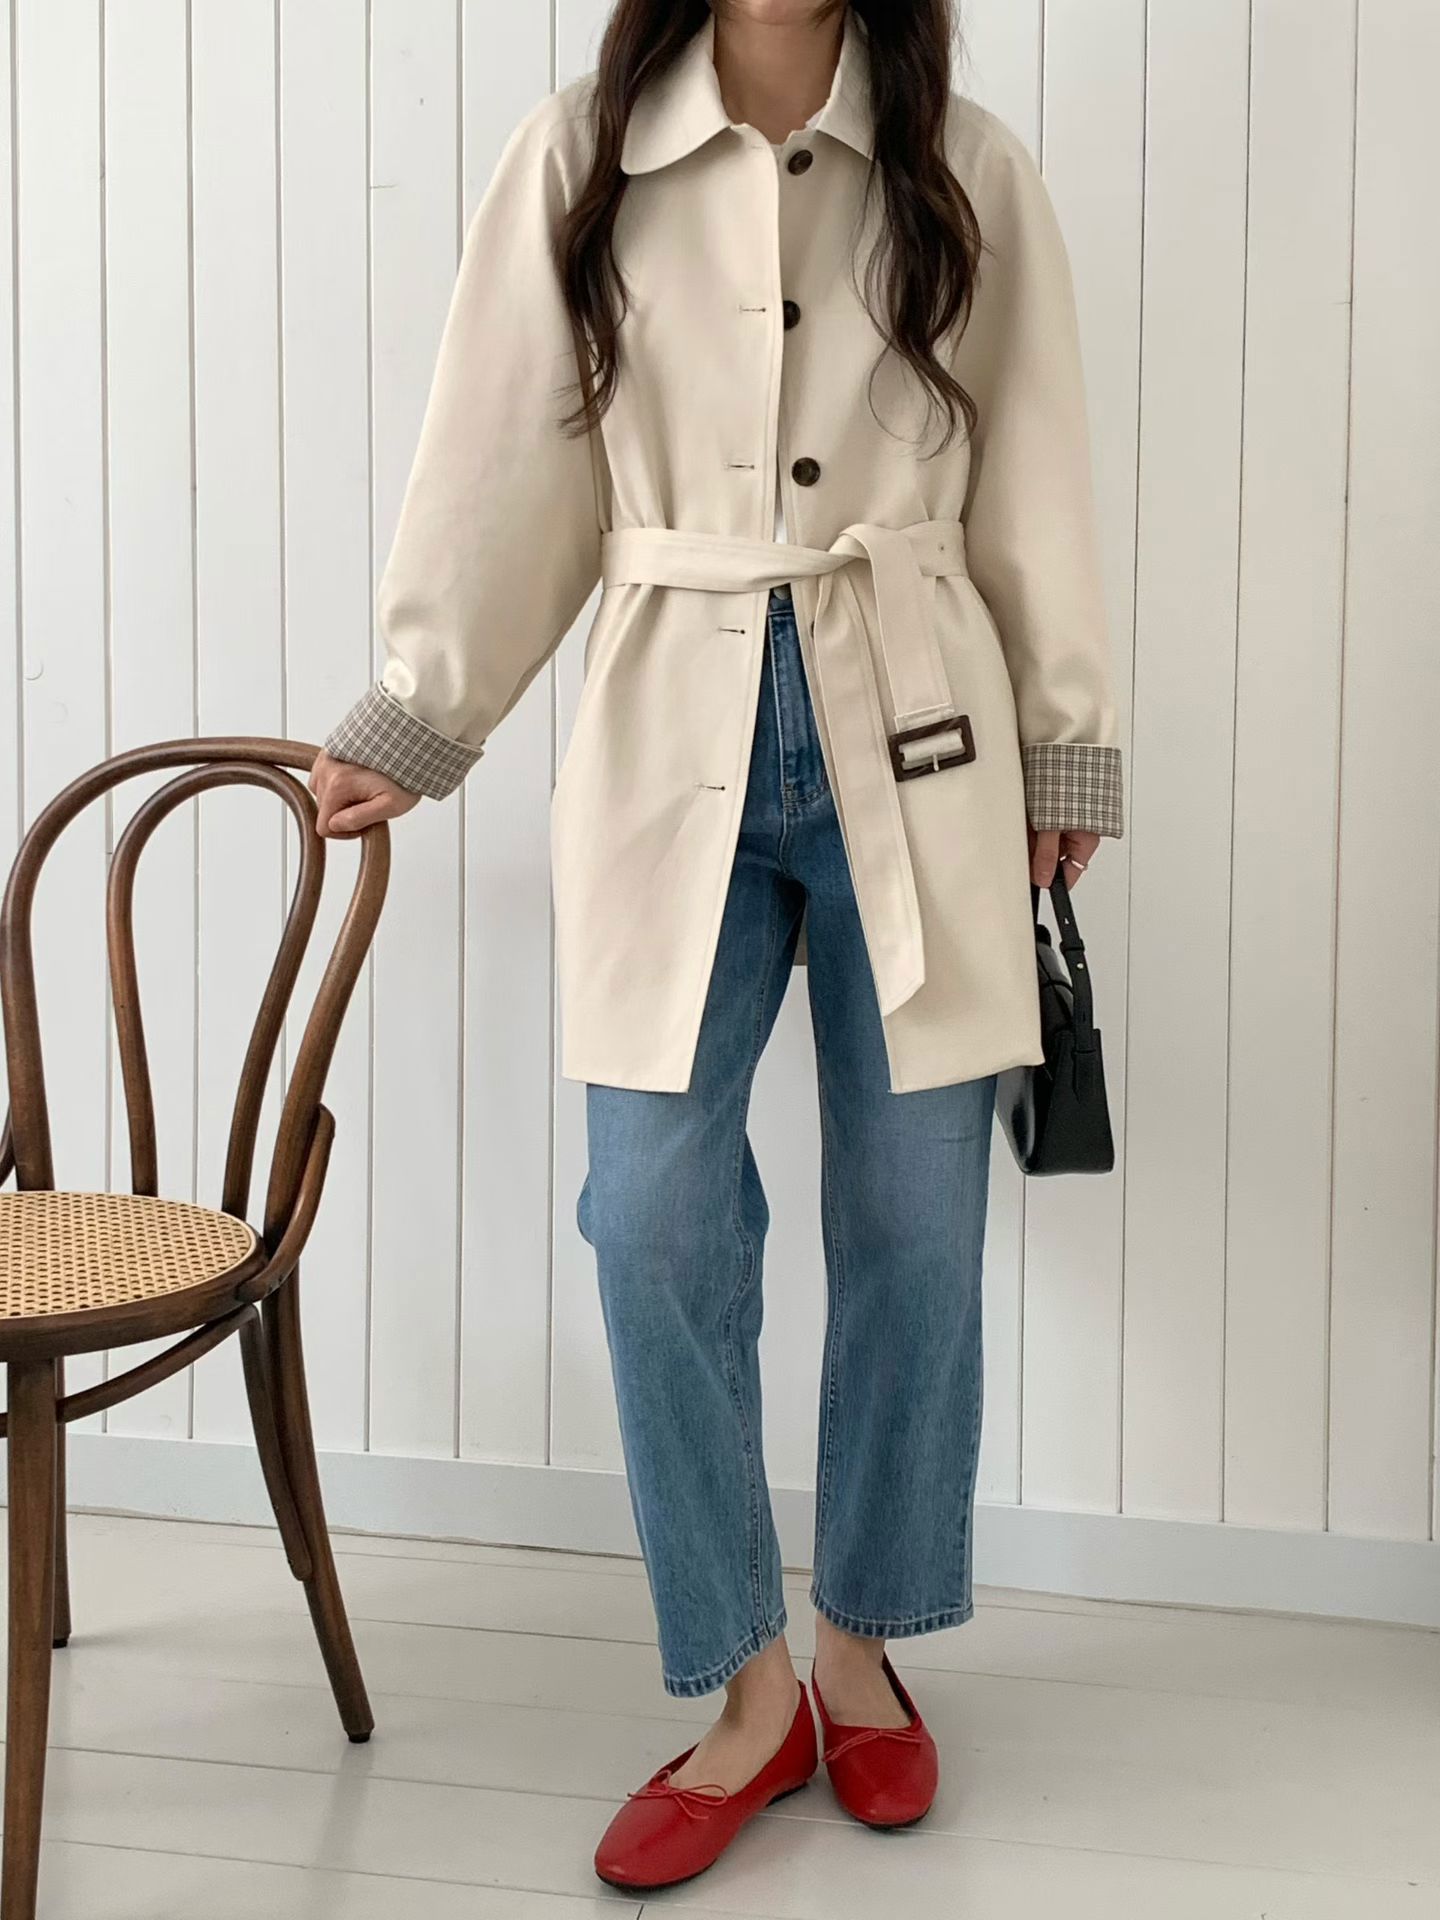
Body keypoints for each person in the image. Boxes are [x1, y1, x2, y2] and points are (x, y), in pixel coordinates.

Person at [309, 0, 1124, 1895]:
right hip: (668, 709)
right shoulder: (580, 155)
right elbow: (508, 452)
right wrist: (420, 717)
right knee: (653, 1214)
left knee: (916, 1220)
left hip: (922, 723)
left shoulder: (964, 163)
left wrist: (1066, 741)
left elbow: (1038, 460)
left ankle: (864, 1644)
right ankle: (748, 1686)